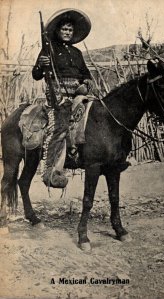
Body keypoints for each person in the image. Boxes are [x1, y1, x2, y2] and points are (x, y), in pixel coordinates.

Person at [32, 9, 93, 188]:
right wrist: (41, 65)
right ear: (58, 31)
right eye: (64, 29)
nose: (67, 32)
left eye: (70, 30)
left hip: (77, 94)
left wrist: (87, 83)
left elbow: (86, 75)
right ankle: (51, 171)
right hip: (57, 95)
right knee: (60, 126)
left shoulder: (77, 52)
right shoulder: (48, 49)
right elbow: (36, 75)